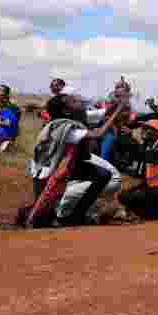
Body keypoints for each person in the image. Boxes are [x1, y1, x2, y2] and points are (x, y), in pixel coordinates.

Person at [23, 93, 121, 227]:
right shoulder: (63, 127)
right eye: (73, 101)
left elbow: (104, 112)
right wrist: (117, 112)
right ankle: (30, 218)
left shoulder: (76, 116)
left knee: (102, 175)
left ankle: (76, 216)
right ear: (66, 110)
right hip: (49, 171)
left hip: (67, 167)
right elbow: (98, 134)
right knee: (42, 215)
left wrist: (117, 101)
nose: (79, 100)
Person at [118, 119, 158, 220]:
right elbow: (143, 174)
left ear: (157, 132)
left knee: (142, 196)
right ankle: (148, 215)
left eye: (148, 129)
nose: (144, 131)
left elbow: (153, 156)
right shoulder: (147, 147)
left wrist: (134, 143)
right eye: (144, 129)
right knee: (124, 196)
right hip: (155, 188)